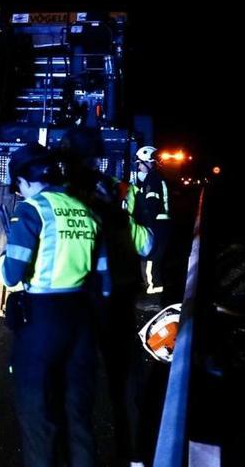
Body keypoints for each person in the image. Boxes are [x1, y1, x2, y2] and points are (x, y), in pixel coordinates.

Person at [0, 142, 108, 467]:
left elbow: (11, 274)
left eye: (17, 186)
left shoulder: (31, 210)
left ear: (24, 179)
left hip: (42, 320)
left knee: (37, 413)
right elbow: (104, 278)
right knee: (77, 411)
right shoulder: (85, 210)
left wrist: (5, 256)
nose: (19, 193)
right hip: (81, 316)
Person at [58, 127, 154, 466]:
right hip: (117, 294)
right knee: (125, 377)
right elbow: (145, 242)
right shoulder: (114, 190)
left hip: (81, 298)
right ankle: (137, 453)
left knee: (74, 383)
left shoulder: (64, 196)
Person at [133, 145, 171, 298]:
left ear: (149, 162)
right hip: (162, 225)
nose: (139, 167)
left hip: (157, 225)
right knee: (153, 260)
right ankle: (155, 294)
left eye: (141, 163)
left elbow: (151, 205)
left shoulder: (152, 179)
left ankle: (154, 299)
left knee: (150, 260)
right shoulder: (157, 177)